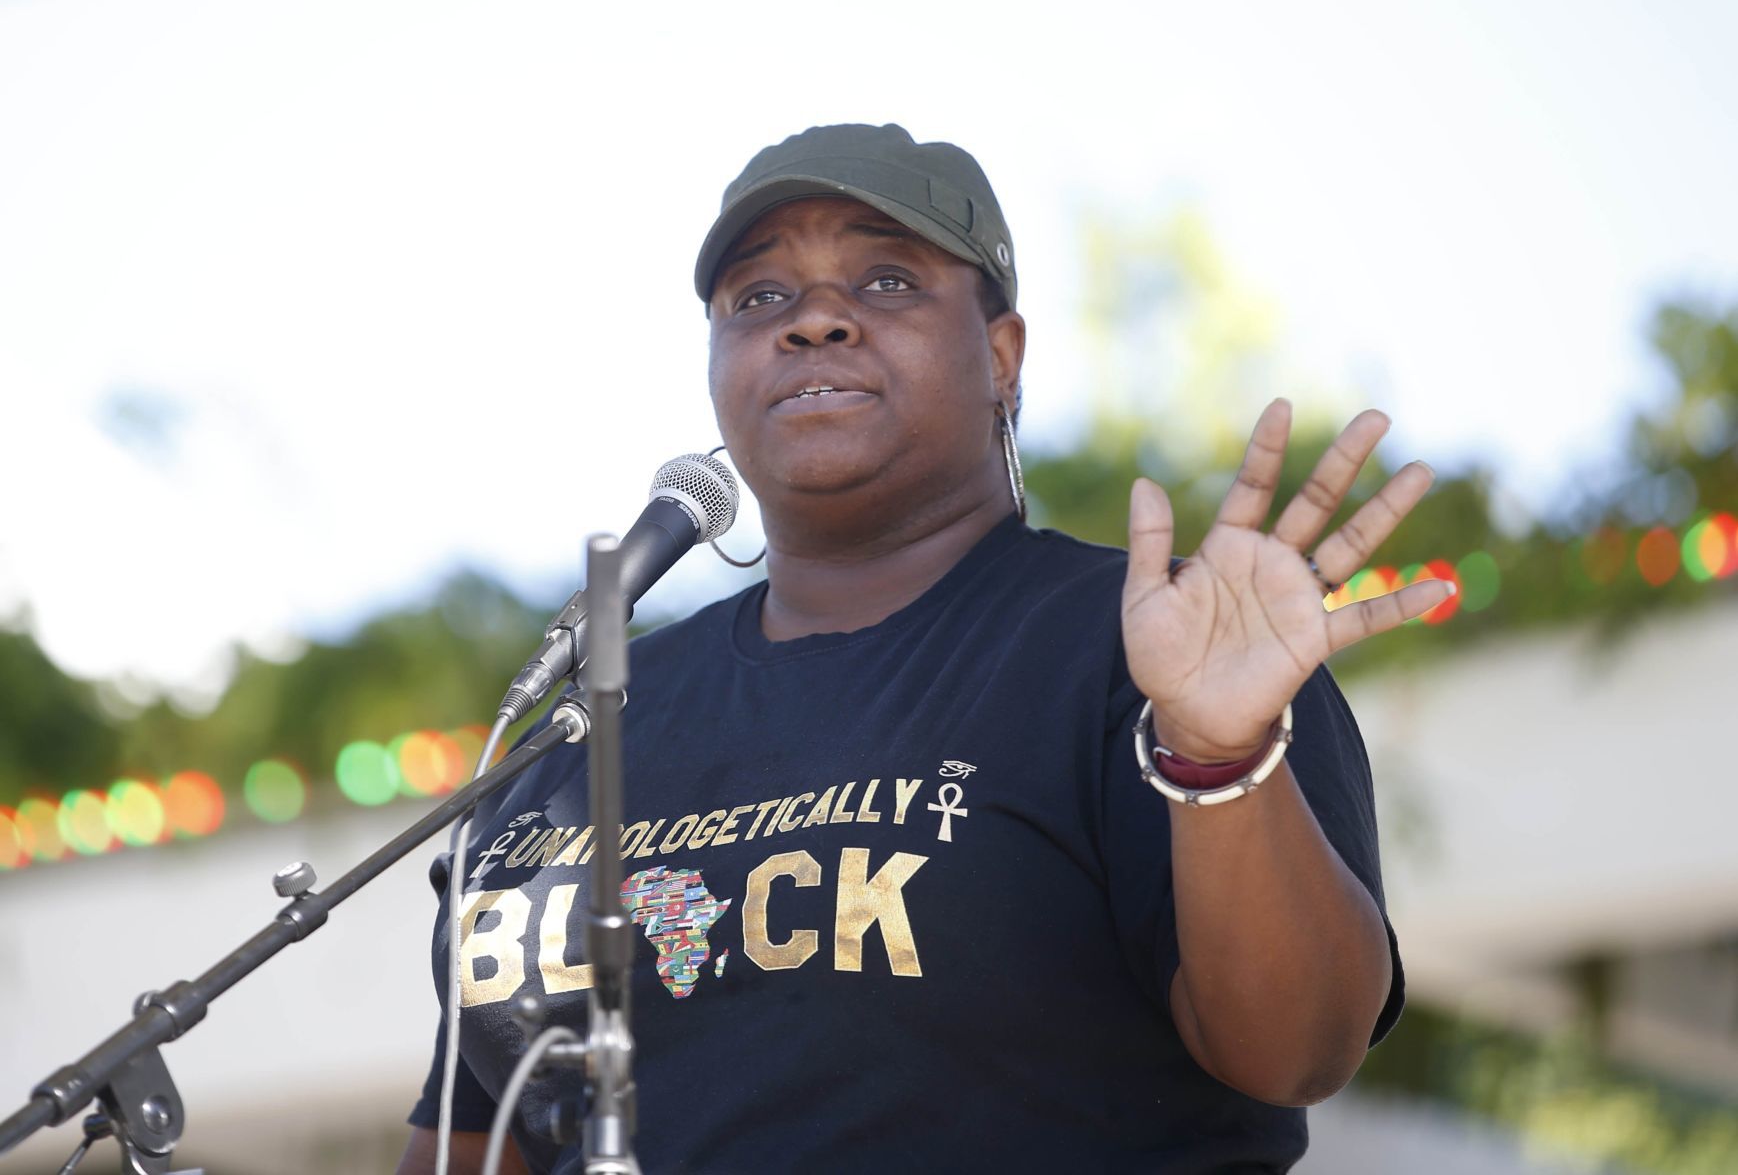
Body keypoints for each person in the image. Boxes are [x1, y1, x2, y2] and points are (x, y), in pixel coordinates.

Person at [397, 123, 1448, 1174]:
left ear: (1000, 357)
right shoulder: (582, 734)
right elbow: (476, 1146)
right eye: (757, 297)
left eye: (887, 279)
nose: (813, 319)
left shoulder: (1147, 648)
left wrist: (1219, 756)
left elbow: (1299, 1049)